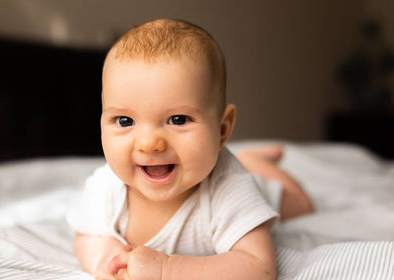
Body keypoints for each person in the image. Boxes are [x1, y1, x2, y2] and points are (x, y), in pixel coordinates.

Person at [67, 18, 313, 280]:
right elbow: (87, 236)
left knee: (302, 206)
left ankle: (257, 163)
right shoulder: (106, 187)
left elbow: (258, 268)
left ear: (222, 128)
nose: (149, 143)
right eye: (125, 121)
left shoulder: (230, 188)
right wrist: (107, 259)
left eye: (178, 120)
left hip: (260, 189)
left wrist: (166, 270)